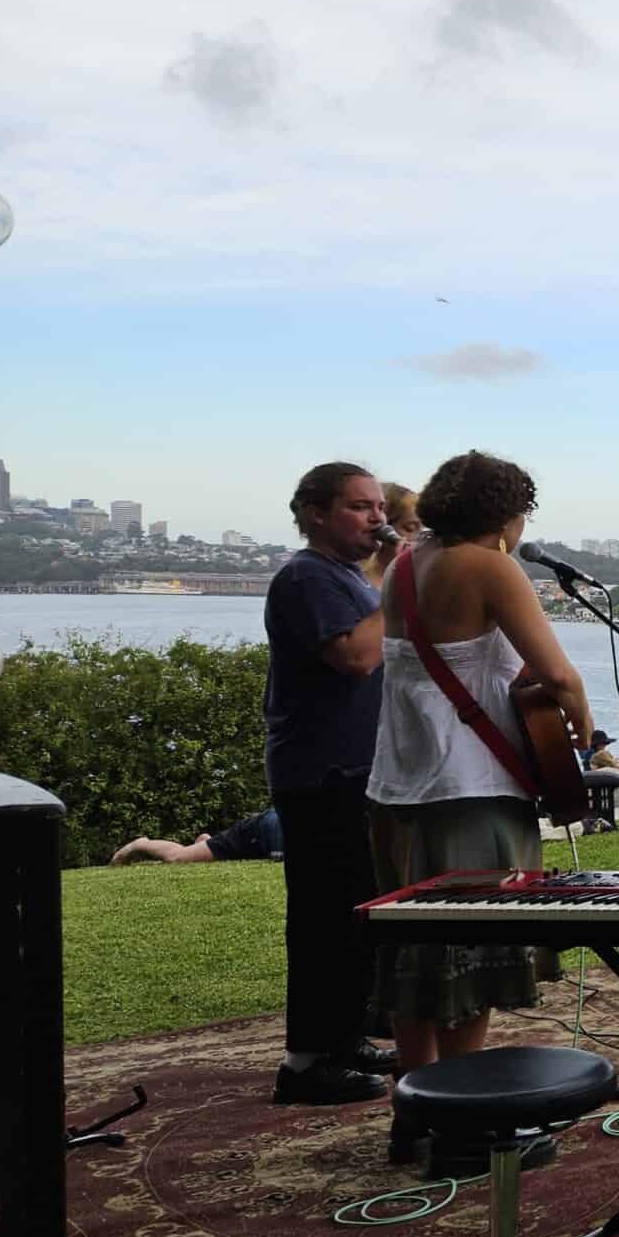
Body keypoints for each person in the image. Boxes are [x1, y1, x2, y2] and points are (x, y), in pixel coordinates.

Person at [368, 451, 587, 1159]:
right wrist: (583, 723)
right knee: (470, 957)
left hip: (397, 787)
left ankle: (415, 1111)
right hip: (471, 786)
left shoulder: (402, 566)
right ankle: (465, 1121)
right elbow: (556, 672)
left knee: (415, 955)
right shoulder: (490, 565)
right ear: (506, 513)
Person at [263, 461, 398, 1106]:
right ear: (315, 512)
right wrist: (401, 584)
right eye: (359, 507)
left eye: (378, 506)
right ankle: (306, 1062)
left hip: (354, 770)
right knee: (323, 919)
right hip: (321, 772)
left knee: (353, 916)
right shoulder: (306, 576)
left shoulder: (346, 576)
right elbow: (356, 656)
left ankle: (344, 1037)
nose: (378, 518)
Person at [111, 808, 285, 866]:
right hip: (259, 832)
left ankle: (205, 844)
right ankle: (139, 844)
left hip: (274, 833)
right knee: (177, 858)